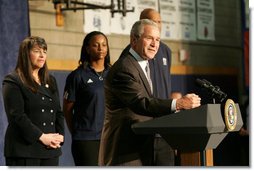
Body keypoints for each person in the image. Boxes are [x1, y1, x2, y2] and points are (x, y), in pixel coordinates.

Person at [98, 19, 201, 166]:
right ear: (134, 40)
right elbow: (141, 102)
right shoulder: (124, 68)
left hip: (143, 148)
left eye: (158, 39)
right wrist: (178, 103)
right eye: (149, 38)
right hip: (124, 150)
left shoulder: (146, 65)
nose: (155, 44)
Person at [120, 8, 174, 166]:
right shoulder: (129, 55)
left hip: (165, 126)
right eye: (151, 22)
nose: (156, 24)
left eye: (159, 21)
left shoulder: (166, 51)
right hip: (142, 126)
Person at [2, 36, 64, 166]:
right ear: (25, 54)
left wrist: (60, 136)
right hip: (24, 150)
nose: (42, 55)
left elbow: (58, 112)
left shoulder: (50, 80)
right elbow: (17, 116)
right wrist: (42, 137)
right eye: (37, 51)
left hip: (50, 150)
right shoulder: (13, 81)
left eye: (45, 51)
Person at [63, 31, 111, 166]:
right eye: (96, 45)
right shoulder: (77, 76)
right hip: (86, 140)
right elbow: (67, 110)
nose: (101, 48)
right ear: (87, 49)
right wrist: (78, 133)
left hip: (110, 138)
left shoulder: (114, 74)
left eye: (104, 45)